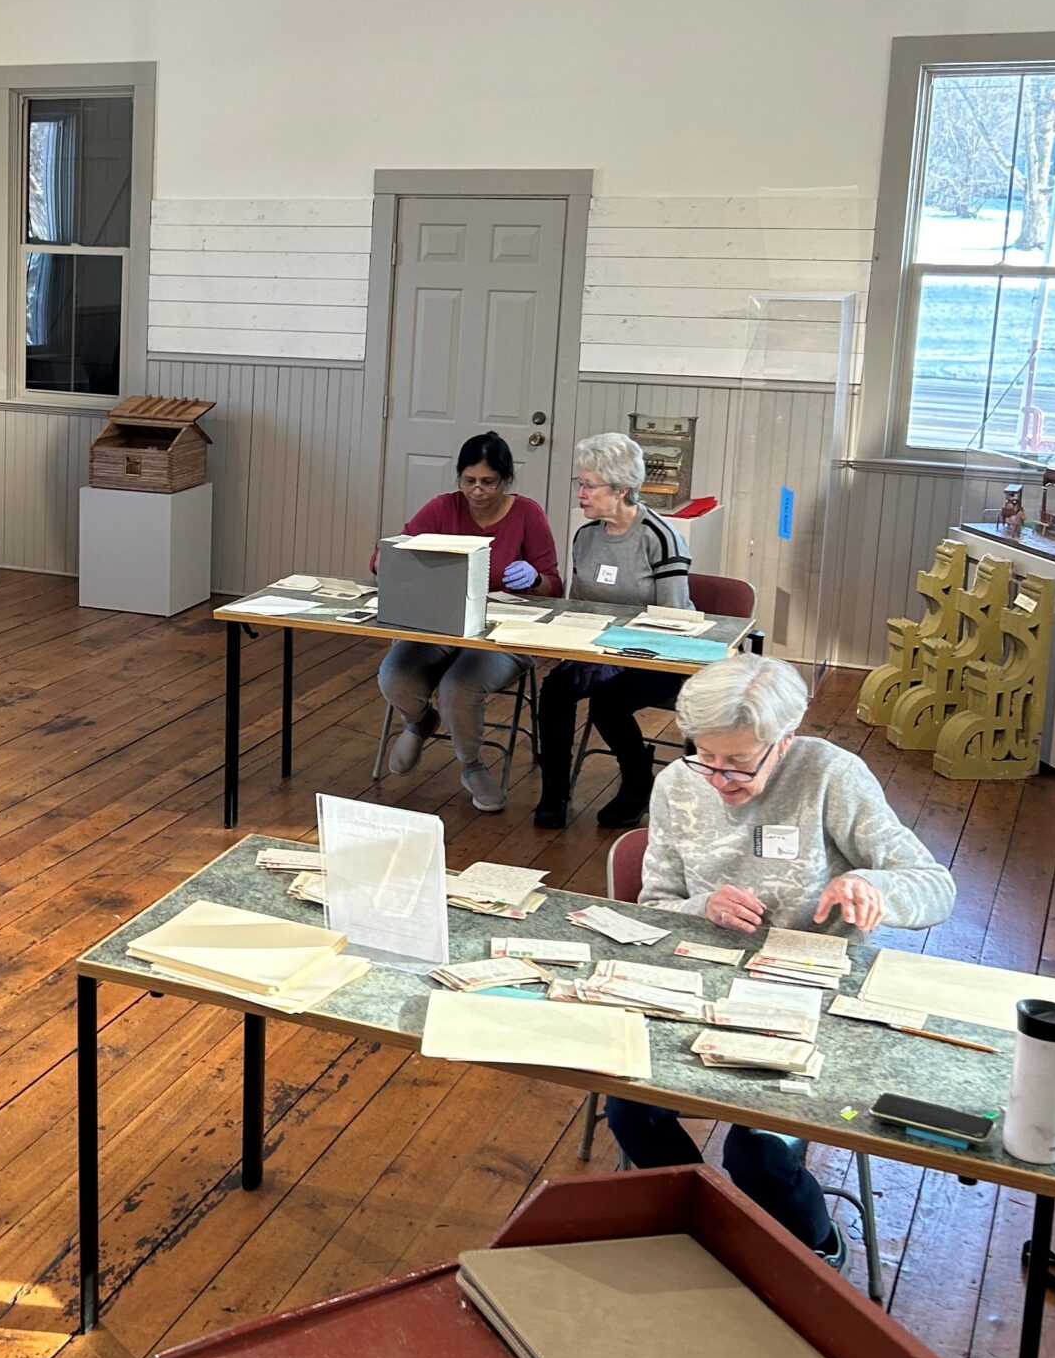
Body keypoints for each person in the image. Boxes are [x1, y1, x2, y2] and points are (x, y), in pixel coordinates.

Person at [603, 654, 954, 1263]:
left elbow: (935, 884)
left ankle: (818, 1249)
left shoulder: (830, 774)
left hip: (811, 994)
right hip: (700, 982)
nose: (719, 778)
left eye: (739, 762)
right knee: (631, 1112)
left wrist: (875, 889)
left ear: (783, 739)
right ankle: (709, 1223)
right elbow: (654, 904)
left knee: (757, 1152)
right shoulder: (677, 784)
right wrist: (703, 906)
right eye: (705, 757)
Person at [375, 430, 559, 811]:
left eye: (489, 482)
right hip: (443, 624)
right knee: (394, 676)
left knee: (459, 687)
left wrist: (536, 579)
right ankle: (421, 722)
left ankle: (472, 765)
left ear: (506, 480)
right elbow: (391, 552)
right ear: (459, 478)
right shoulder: (443, 508)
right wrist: (391, 561)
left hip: (504, 633)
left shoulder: (527, 514)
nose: (478, 491)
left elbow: (555, 586)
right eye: (469, 481)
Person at [533, 431, 693, 830]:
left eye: (589, 486)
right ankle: (554, 790)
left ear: (621, 489)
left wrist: (618, 649)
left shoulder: (659, 538)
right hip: (599, 651)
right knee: (555, 692)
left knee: (608, 701)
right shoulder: (586, 536)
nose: (581, 494)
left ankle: (637, 780)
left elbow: (673, 619)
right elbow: (576, 605)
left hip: (660, 655)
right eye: (580, 484)